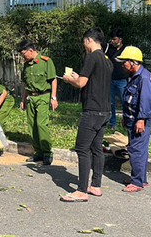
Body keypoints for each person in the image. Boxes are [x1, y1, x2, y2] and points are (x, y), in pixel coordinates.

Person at [61, 27, 113, 202]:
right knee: (97, 148)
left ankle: (82, 190)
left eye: (84, 42)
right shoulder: (107, 60)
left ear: (89, 40)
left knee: (82, 148)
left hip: (91, 110)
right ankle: (96, 185)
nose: (84, 45)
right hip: (105, 111)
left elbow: (81, 83)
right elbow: (92, 80)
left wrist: (70, 80)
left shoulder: (91, 57)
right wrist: (78, 77)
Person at [115, 46, 151, 192]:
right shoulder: (134, 76)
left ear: (133, 62)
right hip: (133, 119)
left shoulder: (143, 78)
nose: (122, 64)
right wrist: (126, 117)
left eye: (124, 61)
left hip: (139, 120)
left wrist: (141, 119)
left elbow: (146, 100)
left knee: (136, 149)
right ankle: (141, 178)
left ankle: (137, 183)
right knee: (140, 149)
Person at [17, 39, 58, 165]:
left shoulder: (46, 61)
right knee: (32, 125)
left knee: (41, 124)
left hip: (43, 96)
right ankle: (38, 153)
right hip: (30, 98)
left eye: (24, 54)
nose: (23, 57)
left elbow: (53, 80)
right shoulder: (26, 65)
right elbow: (26, 84)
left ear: (31, 50)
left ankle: (47, 153)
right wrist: (23, 100)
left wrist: (53, 97)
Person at [104, 28, 127, 129]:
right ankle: (112, 124)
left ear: (120, 39)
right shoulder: (108, 48)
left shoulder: (126, 50)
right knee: (111, 103)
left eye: (114, 39)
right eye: (112, 39)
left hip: (122, 80)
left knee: (125, 102)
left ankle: (126, 122)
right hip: (110, 80)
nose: (112, 41)